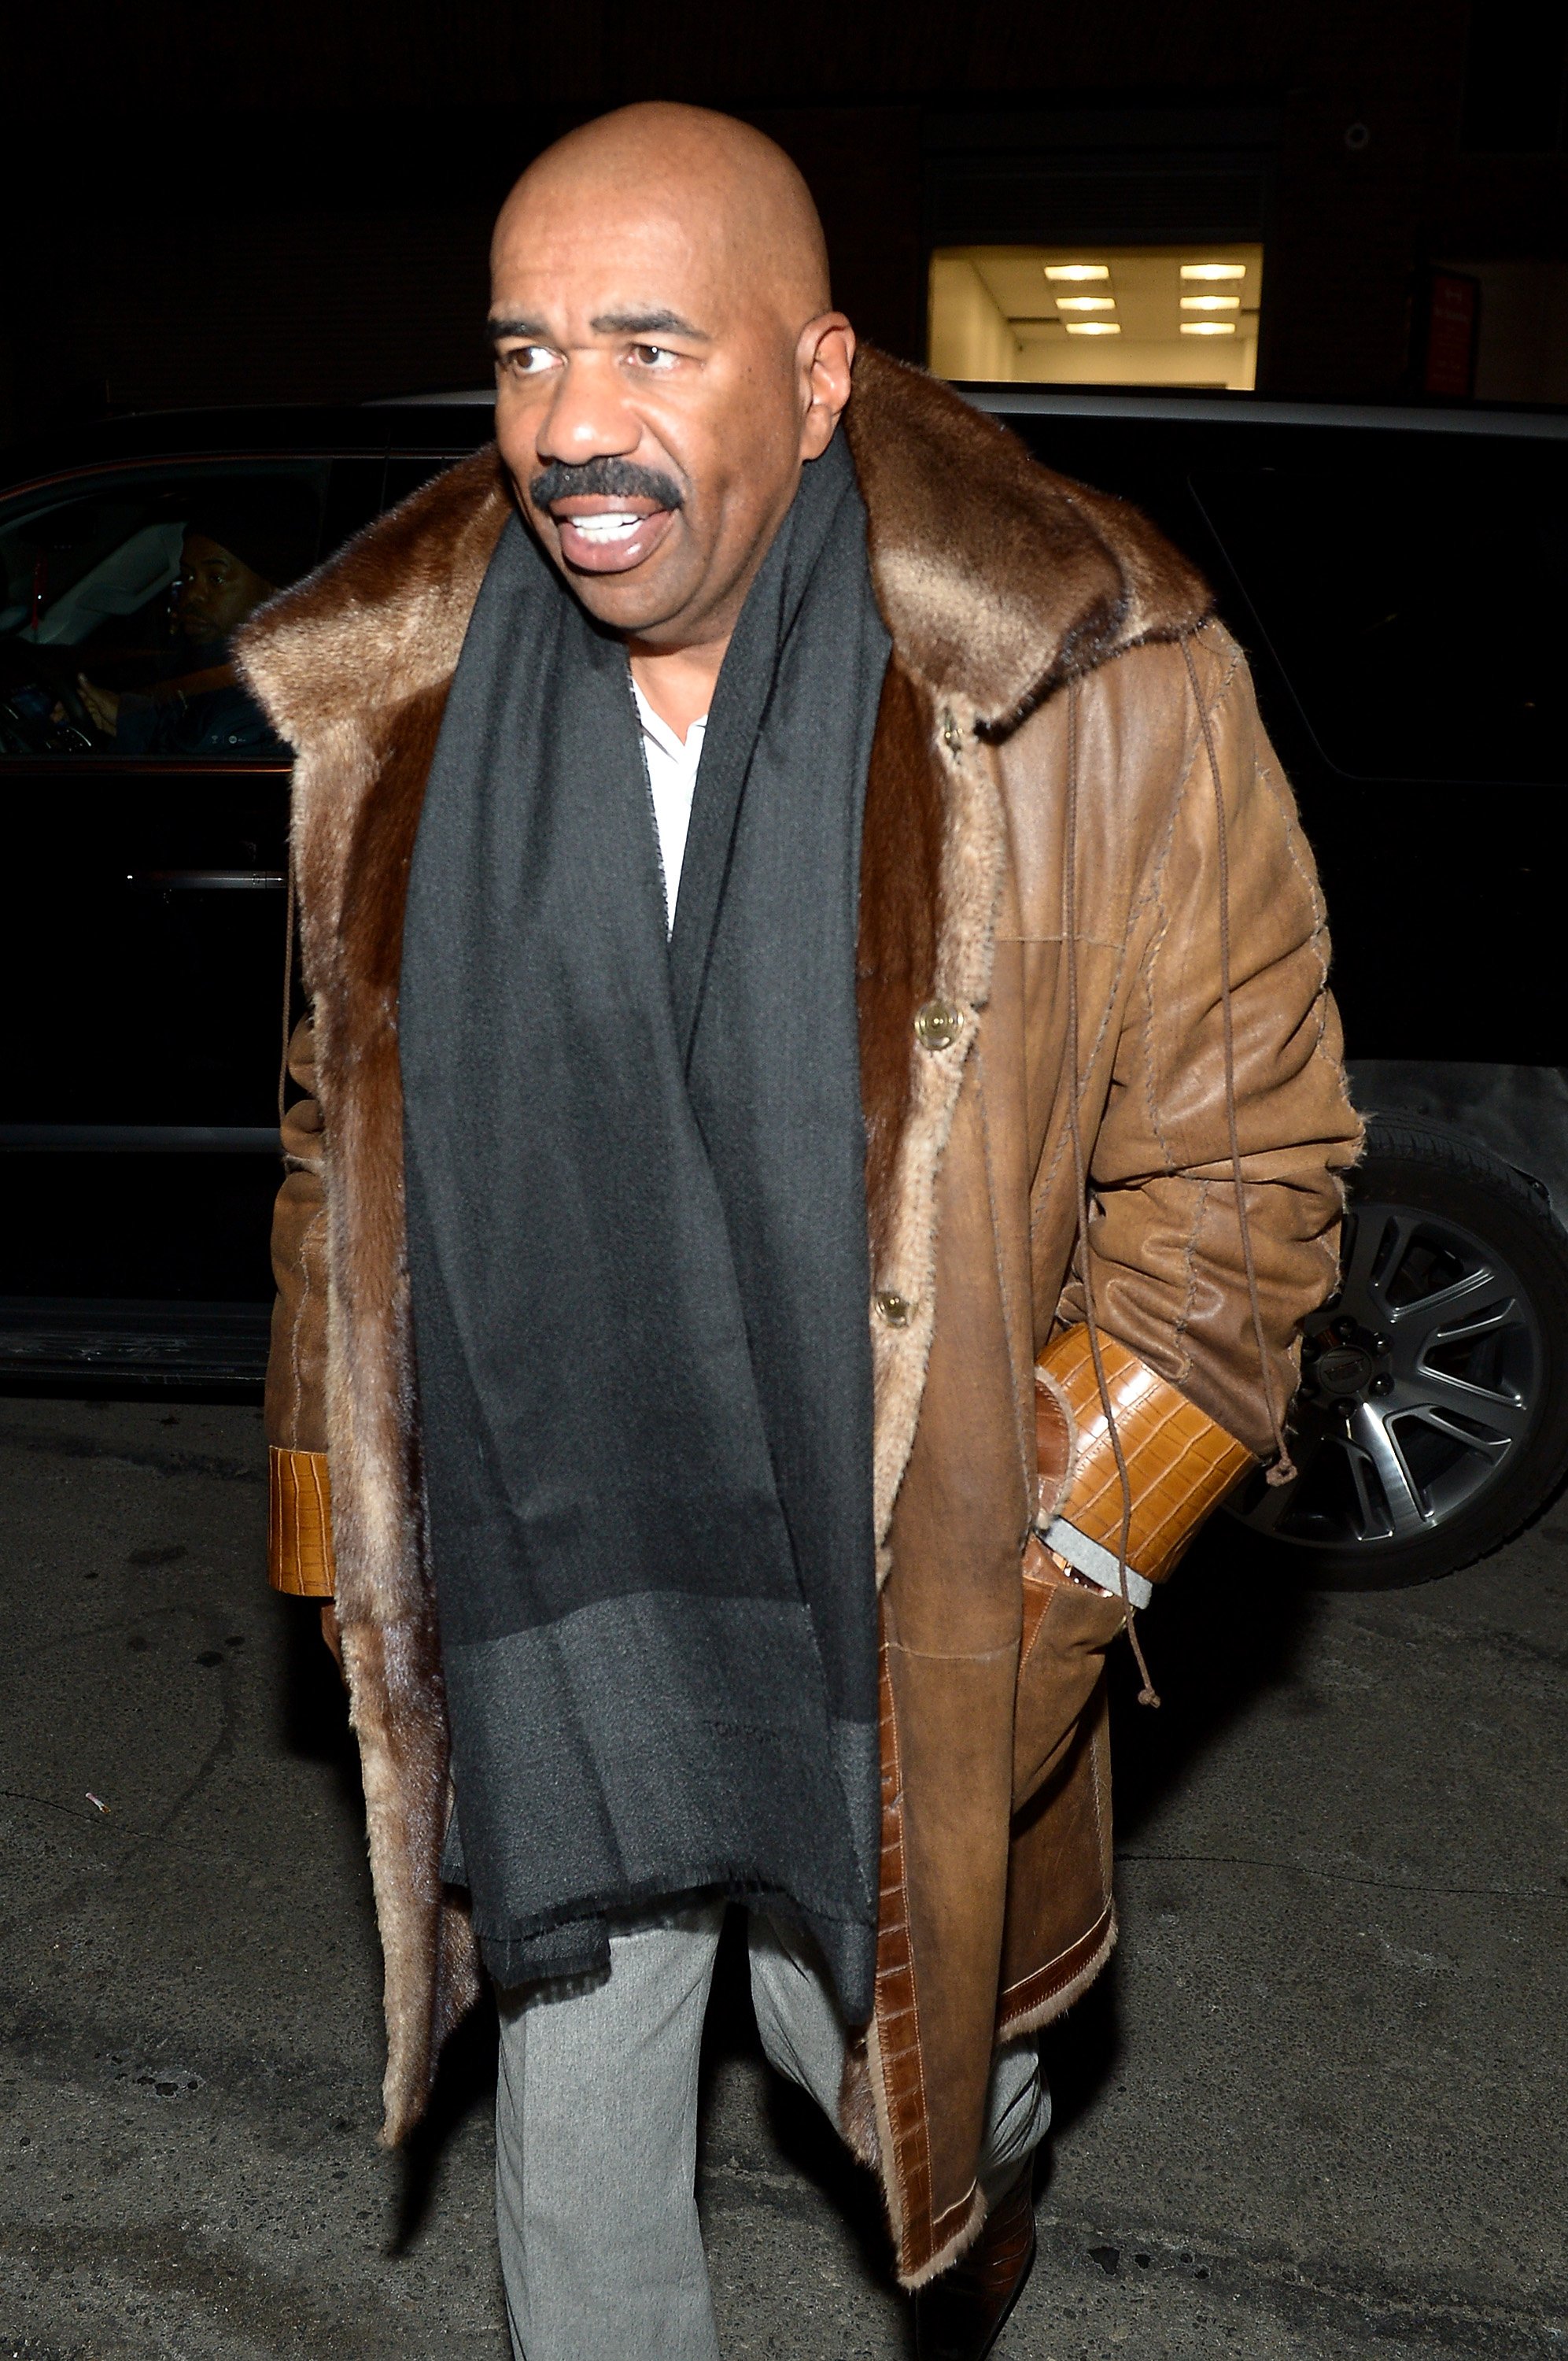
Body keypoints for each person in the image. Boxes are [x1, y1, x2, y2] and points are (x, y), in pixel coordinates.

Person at [237, 102, 1360, 2361]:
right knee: (576, 2152)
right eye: (528, 351)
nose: (572, 426)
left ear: (825, 377)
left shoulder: (1088, 692)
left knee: (929, 2084)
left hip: (897, 1604)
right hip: (560, 1592)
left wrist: (1053, 1556)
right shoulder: (404, 710)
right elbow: (326, 1130)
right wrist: (328, 1488)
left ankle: (992, 2135)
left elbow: (1246, 1193)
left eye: (651, 346)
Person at [79, 489, 309, 755]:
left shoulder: (275, 694)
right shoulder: (211, 669)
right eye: (188, 577)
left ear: (273, 589)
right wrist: (125, 719)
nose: (192, 595)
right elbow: (181, 736)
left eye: (216, 578)